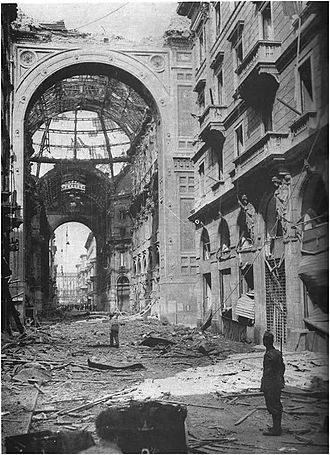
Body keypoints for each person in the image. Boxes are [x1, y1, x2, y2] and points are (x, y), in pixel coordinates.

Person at [260, 331, 285, 436]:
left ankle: (276, 430)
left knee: (272, 406)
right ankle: (277, 427)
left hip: (271, 384)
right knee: (277, 404)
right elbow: (283, 367)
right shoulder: (278, 353)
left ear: (265, 341)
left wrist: (263, 384)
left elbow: (267, 372)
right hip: (278, 382)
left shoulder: (269, 355)